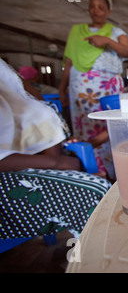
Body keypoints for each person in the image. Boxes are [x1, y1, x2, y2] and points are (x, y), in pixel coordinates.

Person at [0, 58, 112, 239]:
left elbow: (35, 107)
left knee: (95, 184)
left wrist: (55, 147)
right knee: (96, 190)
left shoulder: (10, 88)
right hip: (18, 167)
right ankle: (94, 259)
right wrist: (55, 162)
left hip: (27, 159)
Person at [59, 0, 128, 178]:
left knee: (110, 126)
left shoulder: (116, 32)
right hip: (80, 92)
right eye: (92, 6)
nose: (96, 10)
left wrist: (107, 41)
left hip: (106, 89)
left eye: (101, 7)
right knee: (85, 127)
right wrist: (62, 89)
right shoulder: (77, 32)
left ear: (108, 11)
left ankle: (115, 172)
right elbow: (69, 63)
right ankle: (93, 173)